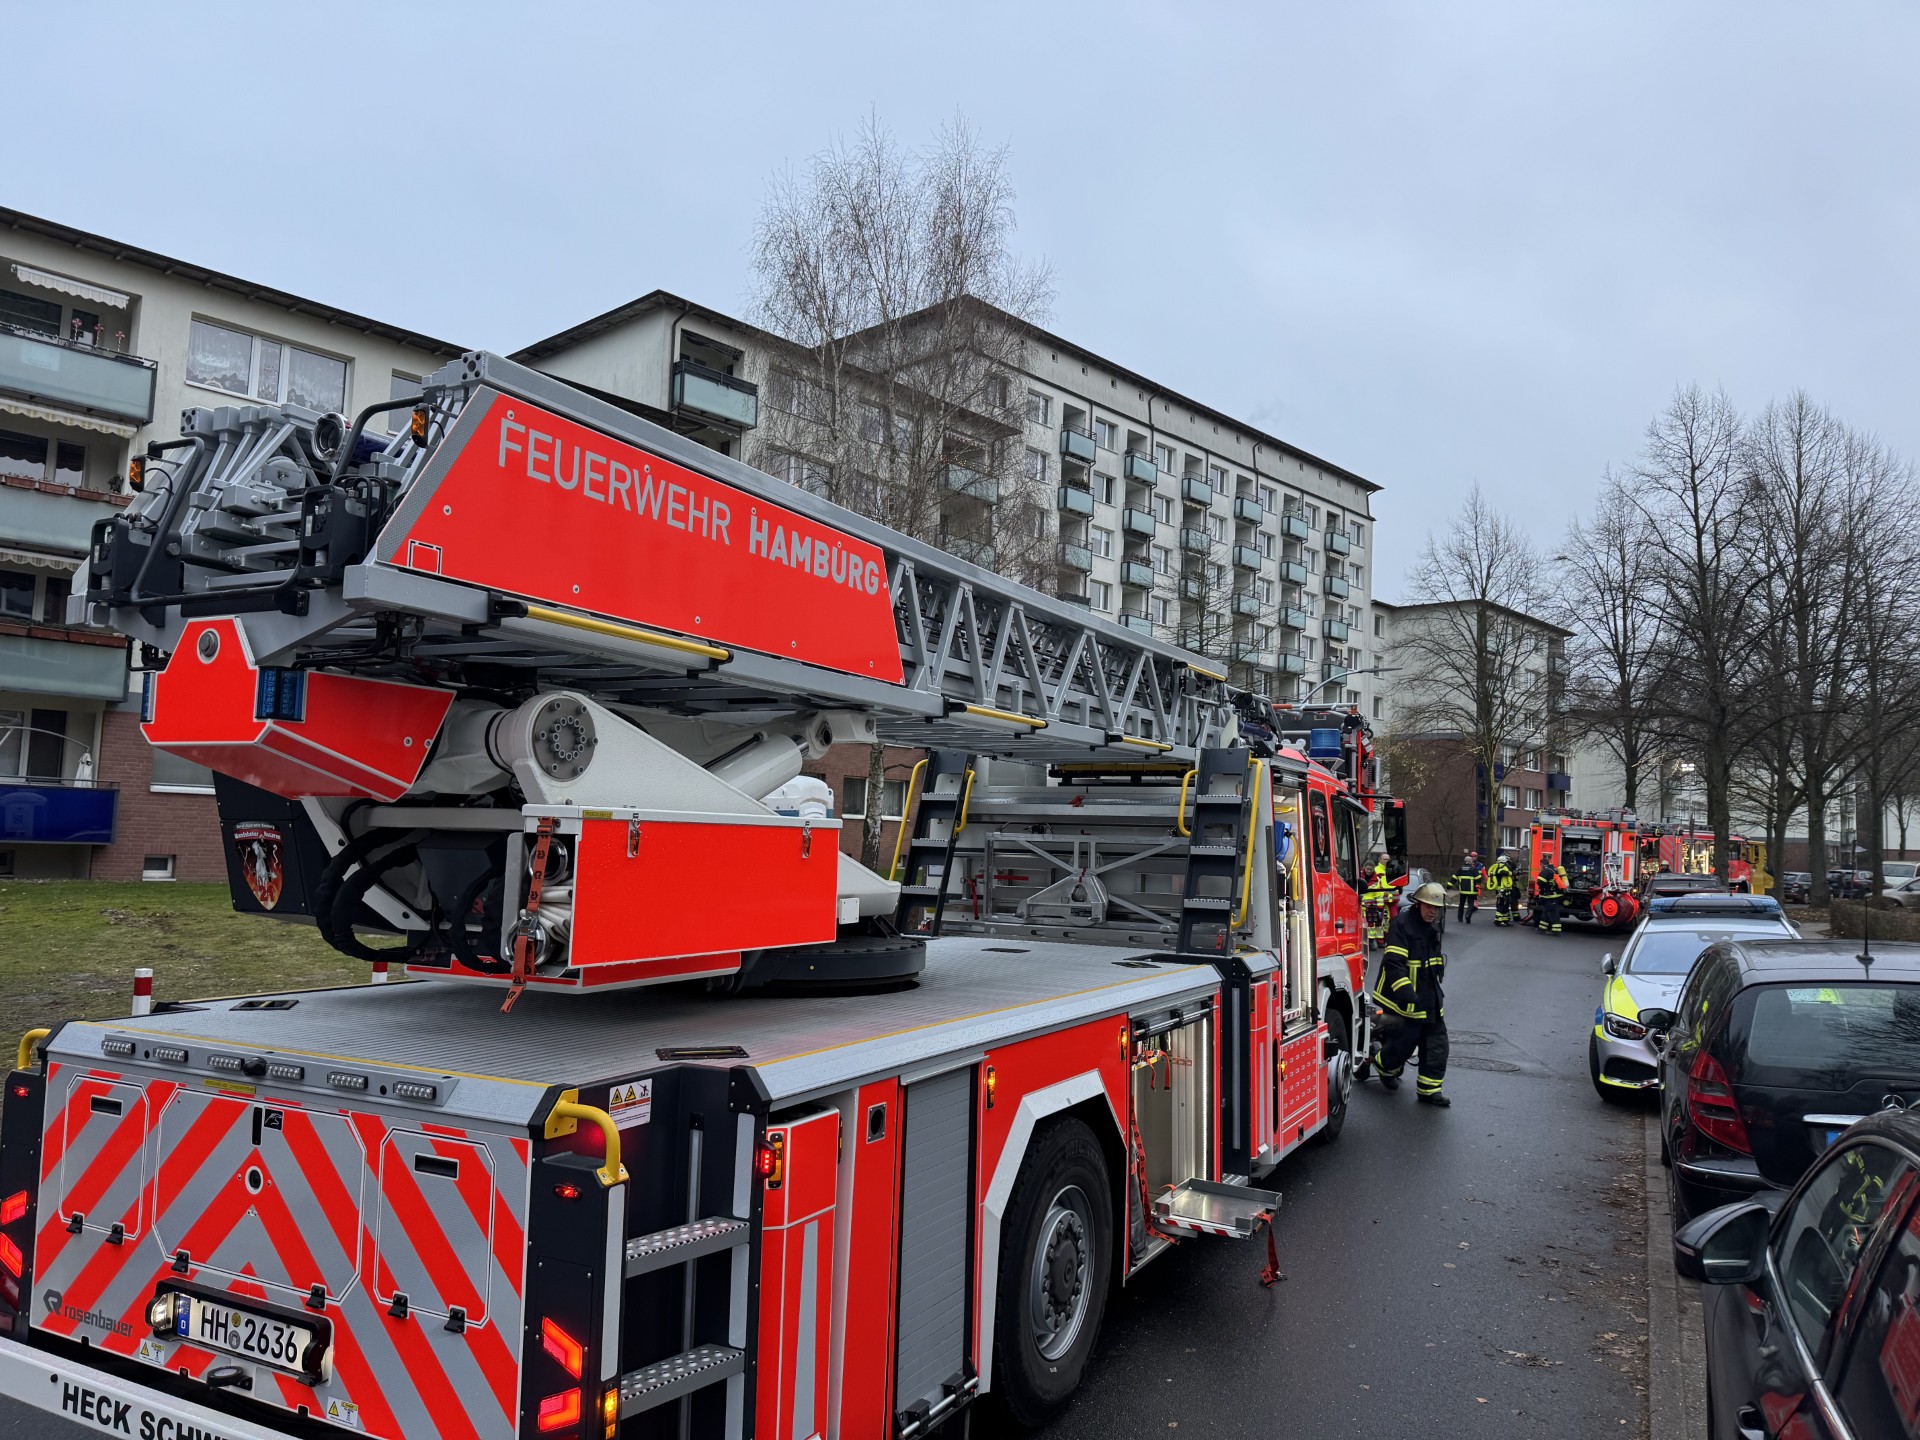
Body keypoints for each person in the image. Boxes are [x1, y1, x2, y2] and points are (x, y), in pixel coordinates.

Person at [1361, 880, 1451, 1106]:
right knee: (1405, 1043)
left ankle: (1429, 1090)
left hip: (1428, 993)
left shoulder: (1433, 926)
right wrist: (1405, 992)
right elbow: (1394, 963)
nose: (1433, 911)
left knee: (1437, 1042)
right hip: (1402, 995)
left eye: (1436, 908)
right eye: (1429, 906)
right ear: (1418, 904)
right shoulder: (1403, 924)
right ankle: (1383, 1066)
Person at [1536, 858, 1568, 934]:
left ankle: (1556, 930)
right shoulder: (1553, 869)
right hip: (1554, 895)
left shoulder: (1545, 871)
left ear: (1542, 864)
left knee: (1553, 912)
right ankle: (1542, 928)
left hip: (1550, 896)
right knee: (1546, 912)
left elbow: (1540, 882)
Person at [1485, 850, 1516, 926]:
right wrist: (1510, 873)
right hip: (1502, 889)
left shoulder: (1497, 867)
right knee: (1502, 904)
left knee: (1505, 904)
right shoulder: (1500, 867)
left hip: (1504, 889)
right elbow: (1501, 872)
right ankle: (1498, 920)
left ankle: (1505, 920)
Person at [1452, 850, 1483, 923]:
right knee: (1471, 904)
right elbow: (1478, 879)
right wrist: (1478, 882)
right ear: (1470, 862)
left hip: (1462, 891)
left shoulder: (1460, 869)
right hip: (1472, 891)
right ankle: (1468, 915)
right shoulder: (1473, 869)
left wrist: (1449, 885)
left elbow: (1454, 878)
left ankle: (1460, 918)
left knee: (1461, 904)